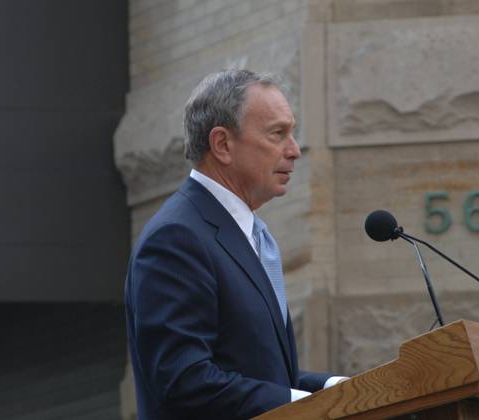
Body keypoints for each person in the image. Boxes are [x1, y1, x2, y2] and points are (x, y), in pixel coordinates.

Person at [124, 69, 344, 419]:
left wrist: (335, 388)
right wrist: (311, 405)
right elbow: (185, 380)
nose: (295, 150)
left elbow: (261, 375)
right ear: (222, 145)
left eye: (292, 133)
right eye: (278, 134)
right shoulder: (176, 238)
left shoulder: (247, 234)